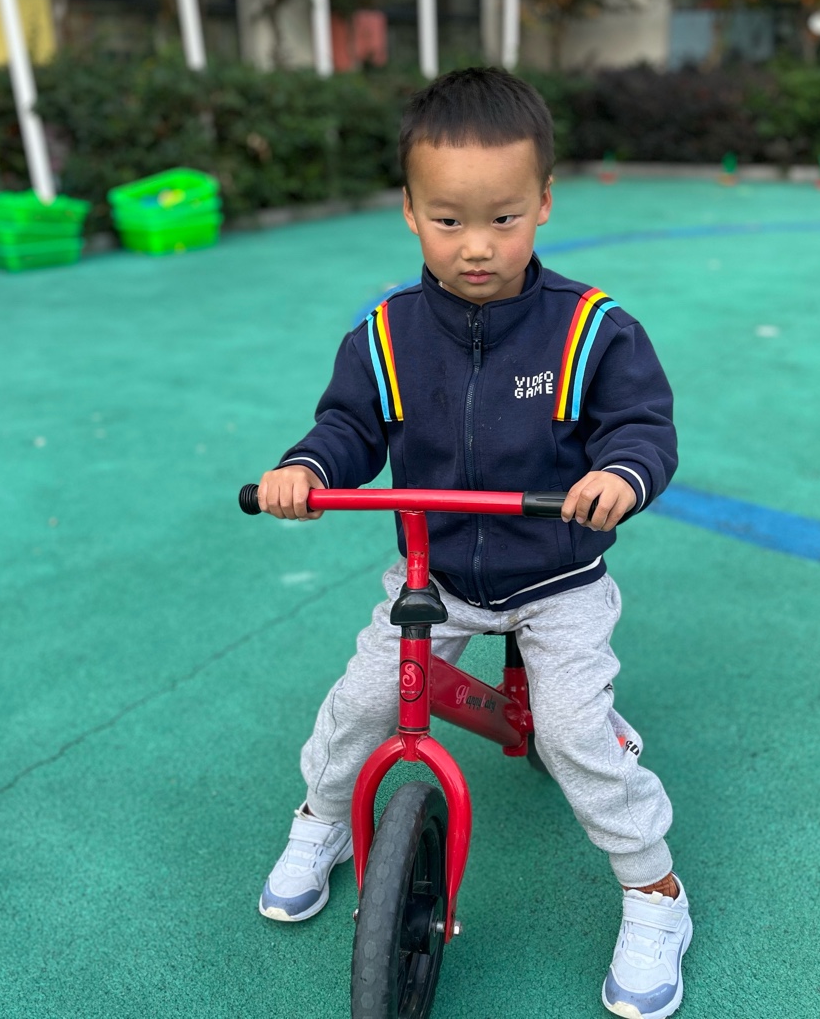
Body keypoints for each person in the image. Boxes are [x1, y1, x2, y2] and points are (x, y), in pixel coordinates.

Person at [252, 67, 687, 1019]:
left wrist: (621, 475)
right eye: (449, 220)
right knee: (365, 701)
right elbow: (348, 428)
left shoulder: (591, 330)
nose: (478, 246)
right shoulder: (386, 336)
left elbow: (640, 427)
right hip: (435, 571)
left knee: (573, 735)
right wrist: (309, 469)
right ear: (410, 211)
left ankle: (654, 888)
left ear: (544, 203)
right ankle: (322, 816)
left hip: (558, 574)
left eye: (504, 218)